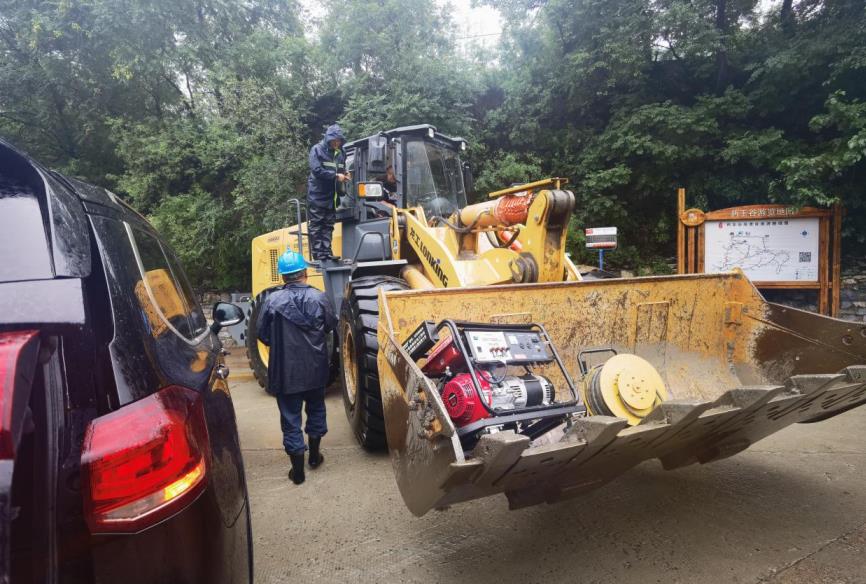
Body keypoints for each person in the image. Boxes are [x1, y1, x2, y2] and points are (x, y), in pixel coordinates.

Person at [256, 249, 337, 485]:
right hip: (315, 370)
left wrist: (281, 342)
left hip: (285, 372)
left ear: (283, 276)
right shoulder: (319, 298)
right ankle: (314, 458)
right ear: (304, 273)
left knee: (290, 419)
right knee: (316, 410)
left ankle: (298, 472)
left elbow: (262, 334)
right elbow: (329, 326)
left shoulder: (272, 300)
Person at [307, 124, 350, 262]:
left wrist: (345, 174)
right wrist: (336, 176)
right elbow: (316, 171)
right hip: (317, 194)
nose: (337, 143)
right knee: (317, 224)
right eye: (334, 141)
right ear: (328, 139)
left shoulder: (341, 153)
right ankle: (318, 254)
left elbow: (341, 168)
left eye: (339, 141)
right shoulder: (317, 150)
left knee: (329, 225)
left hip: (332, 195)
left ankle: (327, 252)